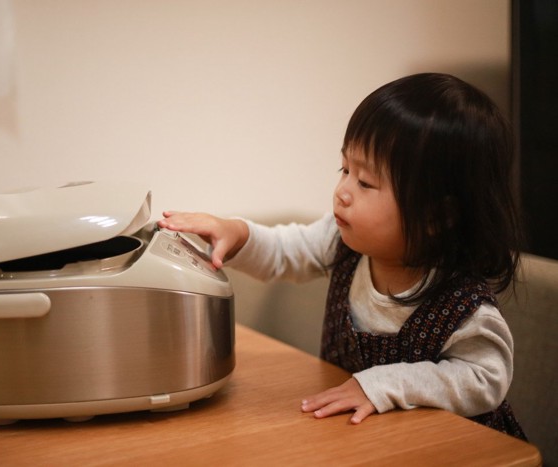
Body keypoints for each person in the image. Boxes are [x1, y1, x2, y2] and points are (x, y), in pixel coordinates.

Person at [157, 73, 527, 440]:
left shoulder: (463, 306)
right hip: (365, 440)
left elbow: (485, 380)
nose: (342, 192)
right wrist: (237, 233)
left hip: (454, 447)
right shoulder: (342, 243)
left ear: (436, 217)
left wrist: (384, 385)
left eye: (365, 182)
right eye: (345, 169)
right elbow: (286, 250)